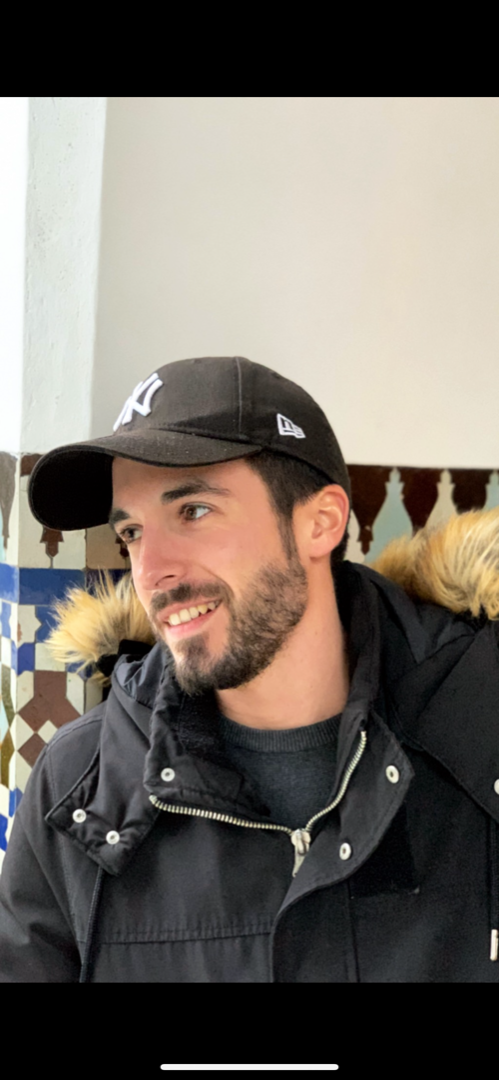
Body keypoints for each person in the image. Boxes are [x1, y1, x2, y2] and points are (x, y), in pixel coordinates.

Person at [1, 354, 499, 983]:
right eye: (131, 533)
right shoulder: (79, 787)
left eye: (193, 511)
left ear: (320, 522)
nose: (151, 572)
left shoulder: (480, 734)